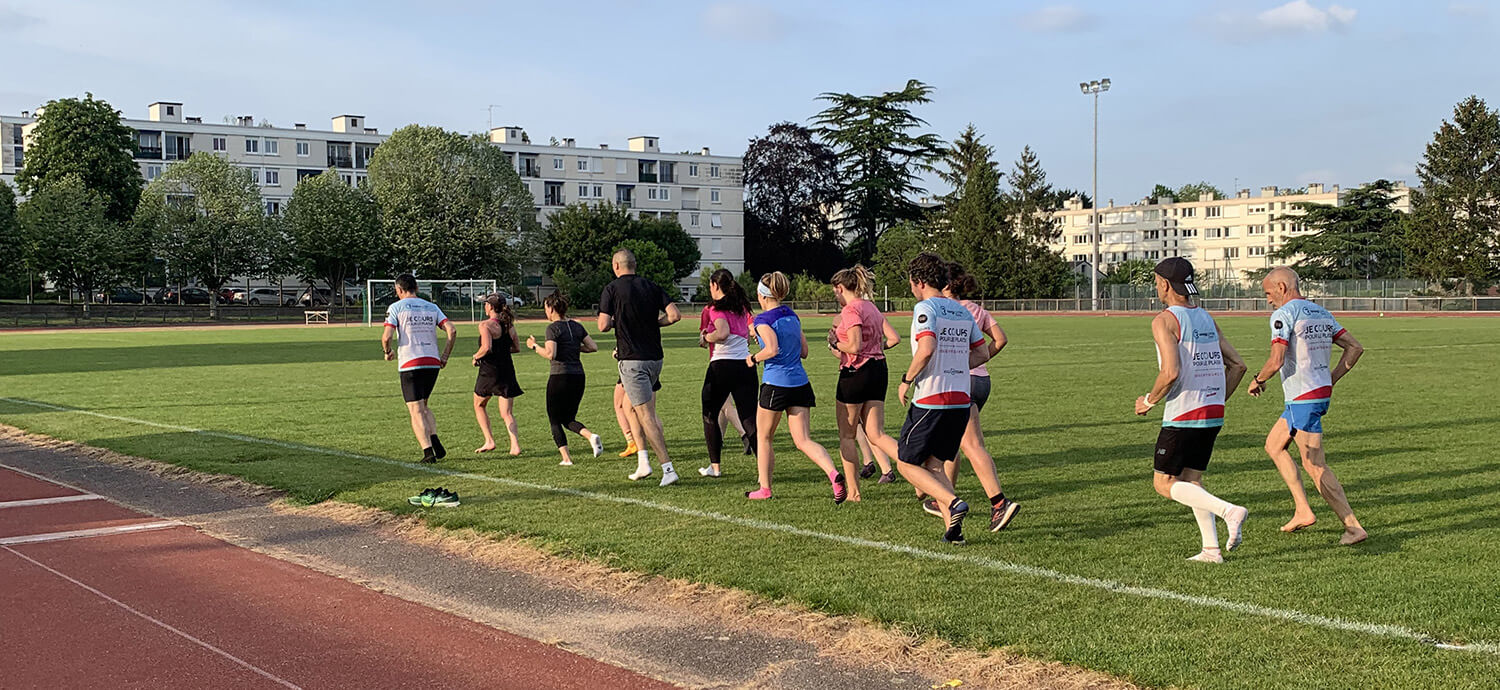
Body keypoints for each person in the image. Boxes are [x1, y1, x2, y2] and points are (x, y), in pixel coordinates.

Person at [871, 253, 995, 543]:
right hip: (961, 399)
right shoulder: (961, 310)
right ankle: (954, 531)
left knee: (905, 462)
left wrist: (906, 379)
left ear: (919, 281)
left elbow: (926, 348)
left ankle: (953, 503)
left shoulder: (925, 308)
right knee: (935, 465)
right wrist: (954, 363)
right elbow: (982, 352)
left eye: (912, 283)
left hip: (932, 399)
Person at [1135, 257, 1251, 563]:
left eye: (1156, 280)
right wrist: (1216, 398)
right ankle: (1211, 550)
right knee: (1191, 481)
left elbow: (1170, 372)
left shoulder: (1164, 320)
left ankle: (1229, 511)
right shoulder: (1206, 317)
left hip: (1184, 412)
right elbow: (1238, 366)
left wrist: (1148, 400)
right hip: (1213, 412)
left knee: (1164, 483)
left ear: (1164, 284)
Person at [1248, 266, 1368, 545]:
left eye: (1268, 293)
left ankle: (1353, 527)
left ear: (1281, 287)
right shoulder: (1321, 313)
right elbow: (1355, 348)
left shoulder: (1284, 314)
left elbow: (1276, 360)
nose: (1268, 300)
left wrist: (1257, 379)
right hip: (1310, 394)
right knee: (1274, 446)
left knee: (1315, 465)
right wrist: (1330, 379)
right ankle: (1303, 509)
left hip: (1304, 397)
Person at [916, 263, 1020, 532]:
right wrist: (978, 360)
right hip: (981, 379)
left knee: (971, 445)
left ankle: (999, 503)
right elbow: (1000, 339)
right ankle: (944, 499)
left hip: (959, 381)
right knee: (955, 442)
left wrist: (963, 364)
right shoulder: (976, 309)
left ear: (946, 285)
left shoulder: (944, 309)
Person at [744, 272, 845, 502]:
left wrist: (753, 358)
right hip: (800, 383)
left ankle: (765, 488)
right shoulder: (792, 316)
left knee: (764, 436)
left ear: (761, 295)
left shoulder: (762, 320)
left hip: (775, 384)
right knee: (803, 440)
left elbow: (771, 349)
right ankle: (833, 473)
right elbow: (804, 351)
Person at [598, 248, 683, 486]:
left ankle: (667, 468)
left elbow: (603, 325)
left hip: (632, 360)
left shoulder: (611, 289)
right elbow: (674, 315)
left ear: (616, 266)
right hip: (655, 357)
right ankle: (643, 462)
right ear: (634, 265)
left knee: (646, 415)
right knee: (629, 407)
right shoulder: (651, 286)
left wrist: (622, 321)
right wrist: (655, 322)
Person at [826, 265, 900, 501]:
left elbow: (855, 347)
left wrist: (836, 344)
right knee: (876, 434)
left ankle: (854, 492)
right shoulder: (872, 308)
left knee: (847, 435)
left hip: (855, 374)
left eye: (834, 292)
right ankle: (917, 470)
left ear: (840, 288)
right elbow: (887, 340)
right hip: (879, 370)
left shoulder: (850, 310)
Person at [380, 274, 457, 463]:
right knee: (423, 405)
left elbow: (386, 336)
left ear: (399, 290)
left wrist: (388, 351)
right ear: (416, 287)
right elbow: (452, 329)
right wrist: (445, 355)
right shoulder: (431, 306)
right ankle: (434, 438)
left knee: (415, 409)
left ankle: (428, 452)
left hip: (410, 362)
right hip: (431, 362)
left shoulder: (396, 307)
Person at [526, 293, 604, 466]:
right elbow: (593, 347)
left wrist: (534, 346)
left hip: (559, 376)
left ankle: (566, 458)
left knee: (554, 418)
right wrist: (574, 348)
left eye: (546, 307)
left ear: (552, 308)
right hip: (578, 376)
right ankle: (591, 436)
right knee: (568, 417)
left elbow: (550, 354)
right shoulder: (576, 326)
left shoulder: (552, 329)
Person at [697, 268, 759, 478]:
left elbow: (722, 333)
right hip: (745, 365)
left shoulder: (716, 308)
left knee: (710, 414)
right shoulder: (741, 305)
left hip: (722, 366)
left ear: (715, 286)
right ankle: (763, 468)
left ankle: (715, 467)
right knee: (750, 418)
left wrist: (707, 337)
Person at [471, 295, 523, 455]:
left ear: (490, 307)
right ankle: (515, 446)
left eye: (486, 304)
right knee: (507, 413)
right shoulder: (508, 325)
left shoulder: (485, 325)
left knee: (479, 405)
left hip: (489, 372)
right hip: (507, 370)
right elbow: (516, 348)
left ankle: (489, 440)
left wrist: (475, 356)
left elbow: (486, 347)